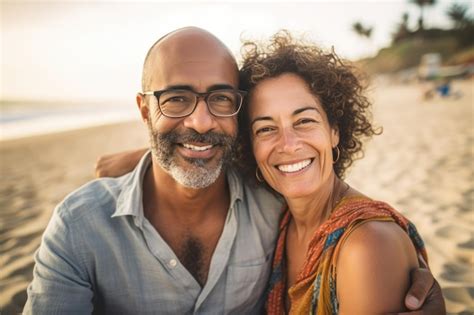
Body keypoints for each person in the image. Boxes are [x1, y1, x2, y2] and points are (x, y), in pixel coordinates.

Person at [25, 27, 443, 314]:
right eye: (175, 98)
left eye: (221, 99)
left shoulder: (296, 212)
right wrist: (153, 153)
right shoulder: (80, 227)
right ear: (145, 109)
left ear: (336, 129)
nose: (202, 122)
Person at [237, 32, 446, 314]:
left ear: (334, 131)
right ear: (250, 146)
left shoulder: (367, 245)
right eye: (265, 128)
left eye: (304, 121)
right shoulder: (279, 222)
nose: (287, 144)